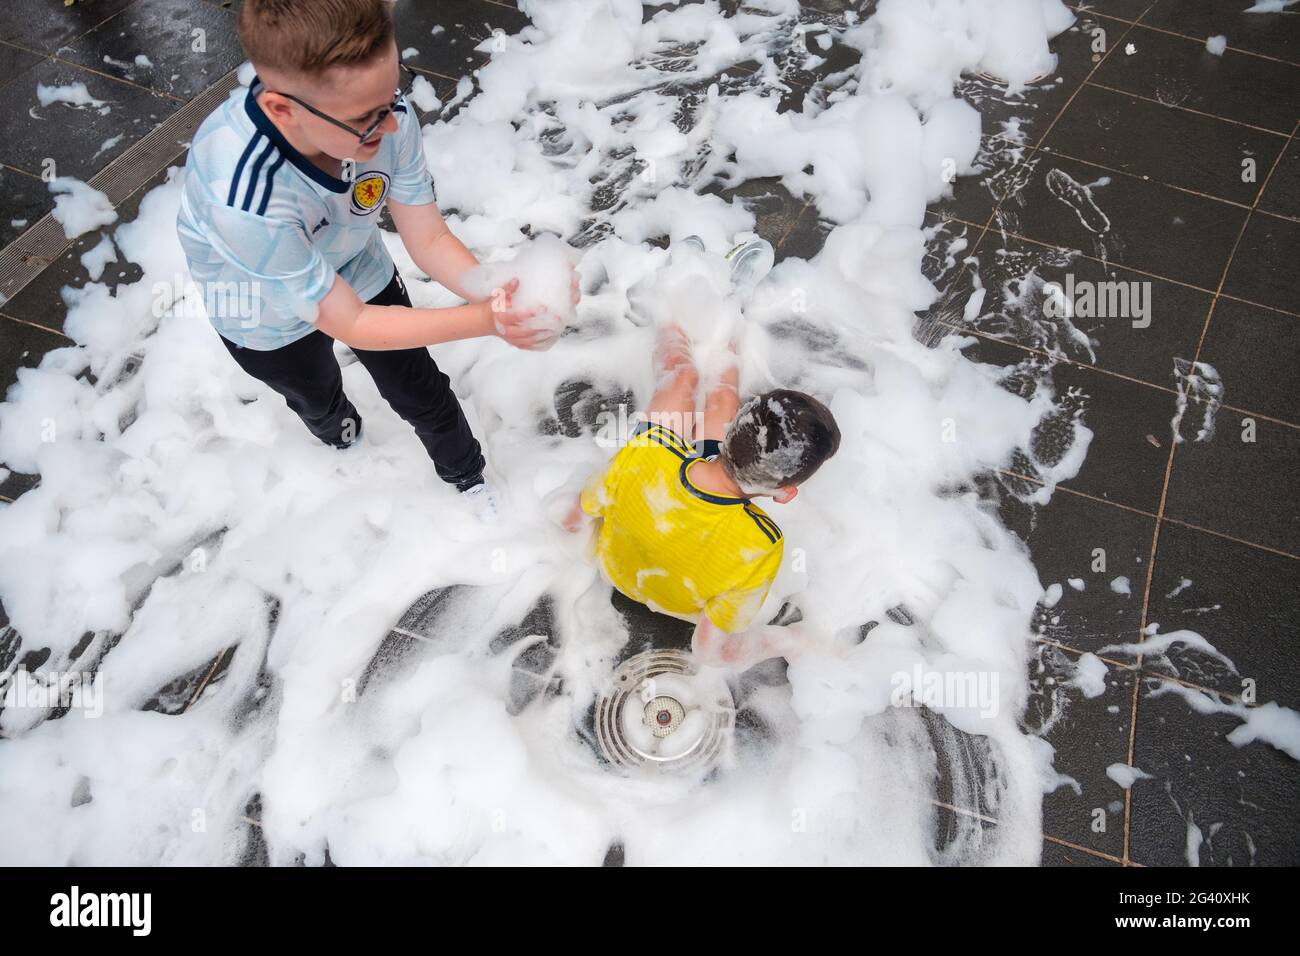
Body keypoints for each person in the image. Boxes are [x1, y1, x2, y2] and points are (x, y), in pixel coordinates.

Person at [175, 0, 569, 517]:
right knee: (316, 394)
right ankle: (344, 438)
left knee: (421, 387)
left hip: (355, 264)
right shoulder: (243, 199)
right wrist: (484, 321)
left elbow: (425, 236)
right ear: (281, 109)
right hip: (262, 314)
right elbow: (353, 323)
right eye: (365, 119)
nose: (390, 127)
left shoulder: (383, 112)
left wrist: (495, 291)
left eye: (391, 94)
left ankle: (467, 475)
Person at [567, 237, 841, 670]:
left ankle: (679, 303)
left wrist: (567, 540)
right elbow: (710, 649)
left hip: (616, 571)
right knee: (720, 394)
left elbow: (576, 517)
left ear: (733, 433)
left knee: (683, 379)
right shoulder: (761, 545)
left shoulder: (645, 456)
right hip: (681, 607)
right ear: (786, 494)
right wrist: (790, 641)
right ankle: (726, 308)